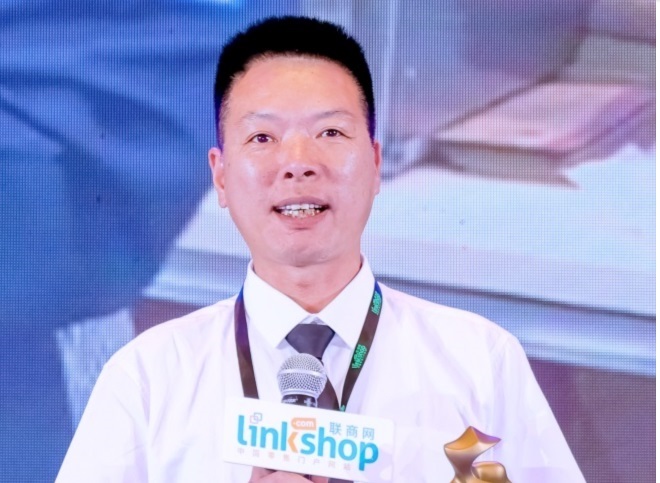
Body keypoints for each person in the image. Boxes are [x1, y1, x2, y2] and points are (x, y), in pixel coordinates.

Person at [57, 16, 585, 482]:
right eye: (262, 138)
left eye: (330, 132)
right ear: (220, 175)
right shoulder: (148, 379)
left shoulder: (478, 362)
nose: (298, 163)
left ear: (374, 164)